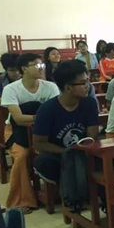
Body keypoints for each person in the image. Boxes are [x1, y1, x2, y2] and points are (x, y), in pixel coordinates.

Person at [32, 60, 99, 209]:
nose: (88, 85)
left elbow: (92, 135)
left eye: (87, 80)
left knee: (98, 159)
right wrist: (66, 151)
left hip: (84, 151)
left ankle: (93, 198)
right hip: (57, 153)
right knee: (48, 161)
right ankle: (73, 198)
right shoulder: (47, 109)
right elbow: (38, 143)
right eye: (83, 83)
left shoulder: (89, 103)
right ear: (68, 87)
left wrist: (80, 150)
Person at [1, 53, 60, 212]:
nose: (41, 68)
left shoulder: (50, 87)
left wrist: (39, 119)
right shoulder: (11, 89)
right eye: (37, 65)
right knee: (22, 156)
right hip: (15, 130)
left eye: (42, 65)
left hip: (45, 130)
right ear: (24, 68)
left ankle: (62, 191)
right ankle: (21, 201)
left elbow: (55, 114)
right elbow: (19, 119)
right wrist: (41, 116)